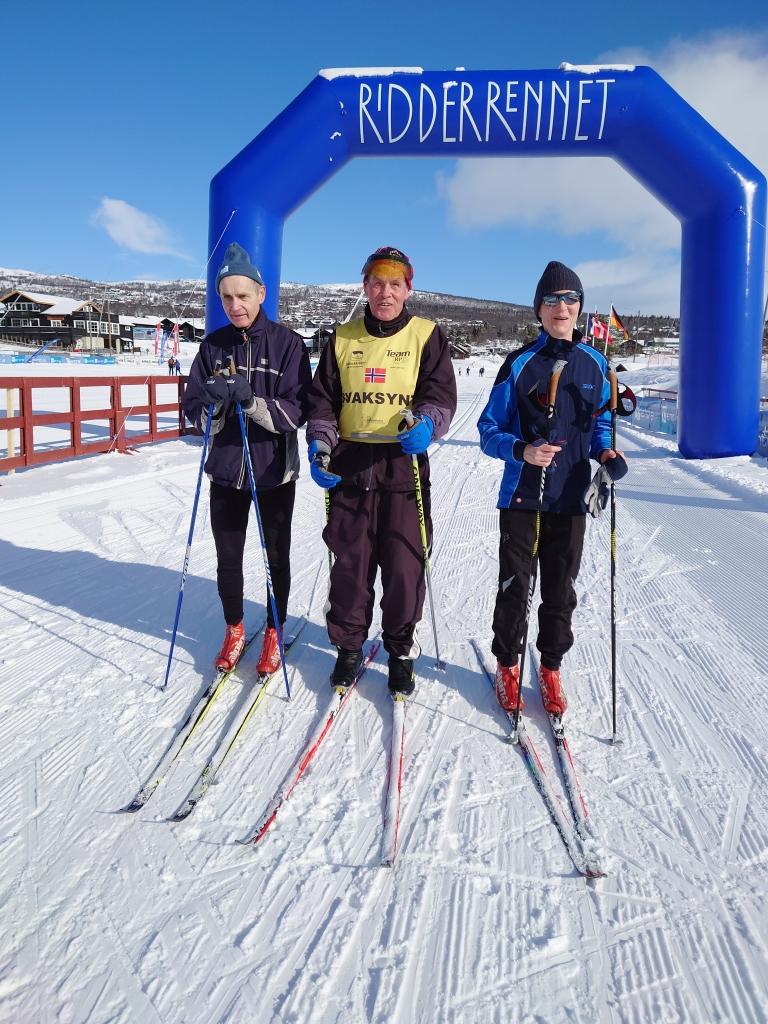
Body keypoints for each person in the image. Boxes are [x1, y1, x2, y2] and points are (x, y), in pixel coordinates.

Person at [477, 261, 627, 717]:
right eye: (551, 299)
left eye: (570, 299)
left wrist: (607, 454)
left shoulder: (595, 363)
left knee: (561, 591)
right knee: (515, 587)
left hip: (570, 497)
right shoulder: (519, 363)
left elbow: (601, 424)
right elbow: (488, 429)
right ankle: (507, 664)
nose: (561, 307)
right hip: (523, 496)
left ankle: (550, 667)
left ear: (579, 307)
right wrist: (521, 450)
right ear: (538, 310)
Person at [305, 245, 457, 695]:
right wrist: (321, 443)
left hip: (401, 467)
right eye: (376, 283)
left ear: (408, 289)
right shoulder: (342, 338)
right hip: (350, 469)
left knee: (404, 568)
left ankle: (400, 651)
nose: (384, 292)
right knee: (350, 569)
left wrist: (428, 423)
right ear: (365, 287)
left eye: (394, 284)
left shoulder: (427, 335)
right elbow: (322, 402)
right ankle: (349, 648)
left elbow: (439, 395)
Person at [182, 242, 312, 676]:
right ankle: (234, 628)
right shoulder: (212, 347)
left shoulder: (288, 344)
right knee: (228, 558)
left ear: (261, 293)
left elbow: (296, 412)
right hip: (226, 472)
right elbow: (193, 411)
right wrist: (215, 406)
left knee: (276, 557)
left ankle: (274, 630)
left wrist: (251, 401)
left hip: (274, 472)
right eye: (226, 297)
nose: (235, 305)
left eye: (242, 295)